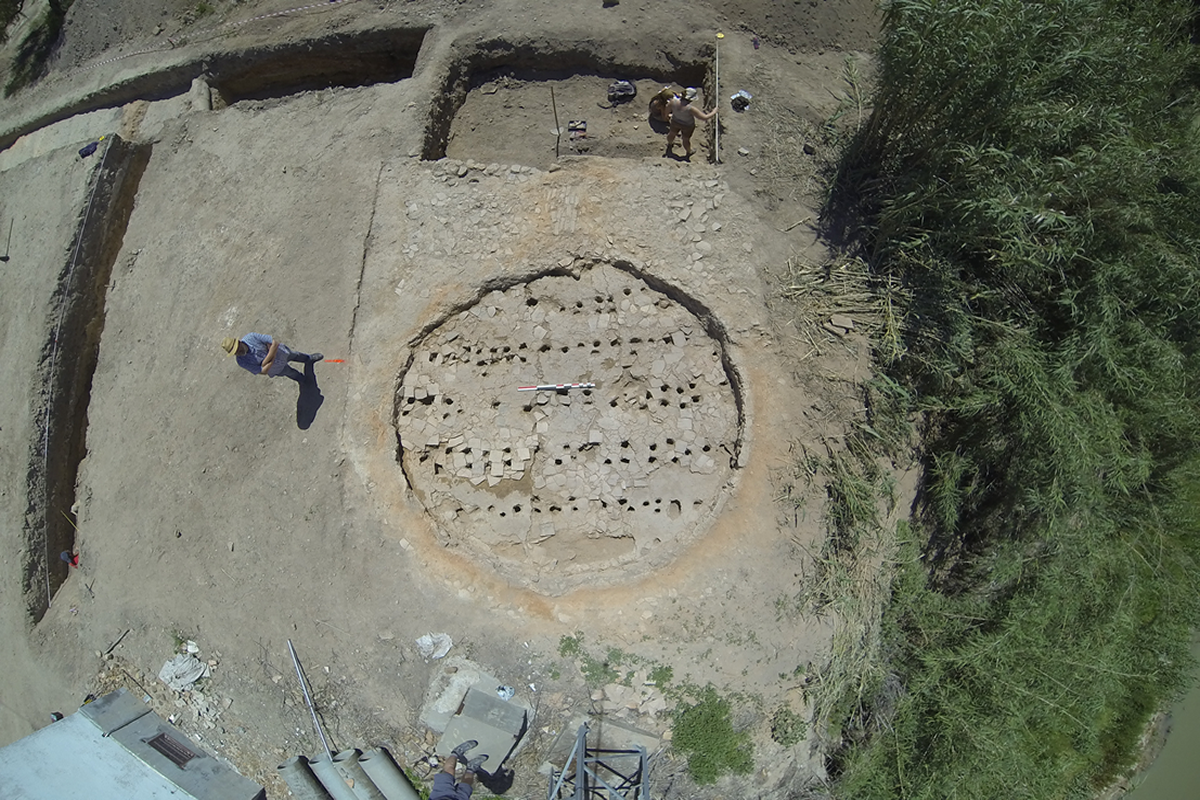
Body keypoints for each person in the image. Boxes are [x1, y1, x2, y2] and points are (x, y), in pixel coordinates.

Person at [221, 334, 322, 382]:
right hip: (277, 368)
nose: (238, 352)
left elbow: (275, 343)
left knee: (296, 355)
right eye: (235, 353)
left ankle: (309, 359)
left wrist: (266, 361)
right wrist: (271, 352)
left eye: (237, 349)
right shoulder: (241, 361)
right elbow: (263, 371)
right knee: (291, 373)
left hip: (282, 353)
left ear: (239, 342)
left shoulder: (251, 337)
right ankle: (303, 381)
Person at [665, 87, 718, 160]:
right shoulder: (690, 109)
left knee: (672, 133)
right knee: (685, 139)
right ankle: (689, 151)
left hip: (675, 121)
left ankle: (670, 144)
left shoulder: (673, 101)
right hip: (687, 126)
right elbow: (704, 117)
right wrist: (714, 112)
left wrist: (667, 116)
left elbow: (667, 109)